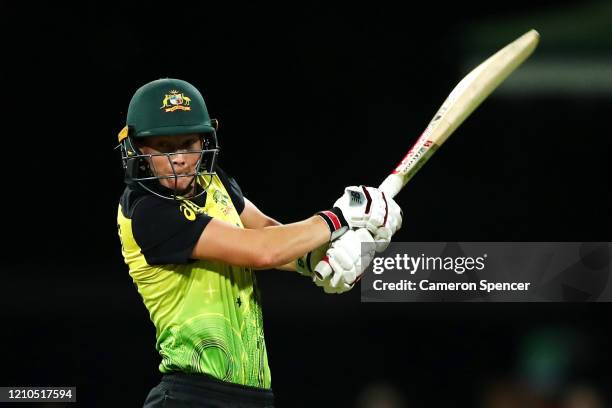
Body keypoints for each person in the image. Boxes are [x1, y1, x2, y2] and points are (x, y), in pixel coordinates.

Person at [116, 78, 402, 408]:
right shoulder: (147, 211)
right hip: (192, 395)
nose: (179, 158)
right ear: (137, 147)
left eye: (189, 143)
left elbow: (268, 230)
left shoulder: (214, 181)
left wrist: (323, 258)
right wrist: (341, 217)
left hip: (253, 398)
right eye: (165, 147)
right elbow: (261, 250)